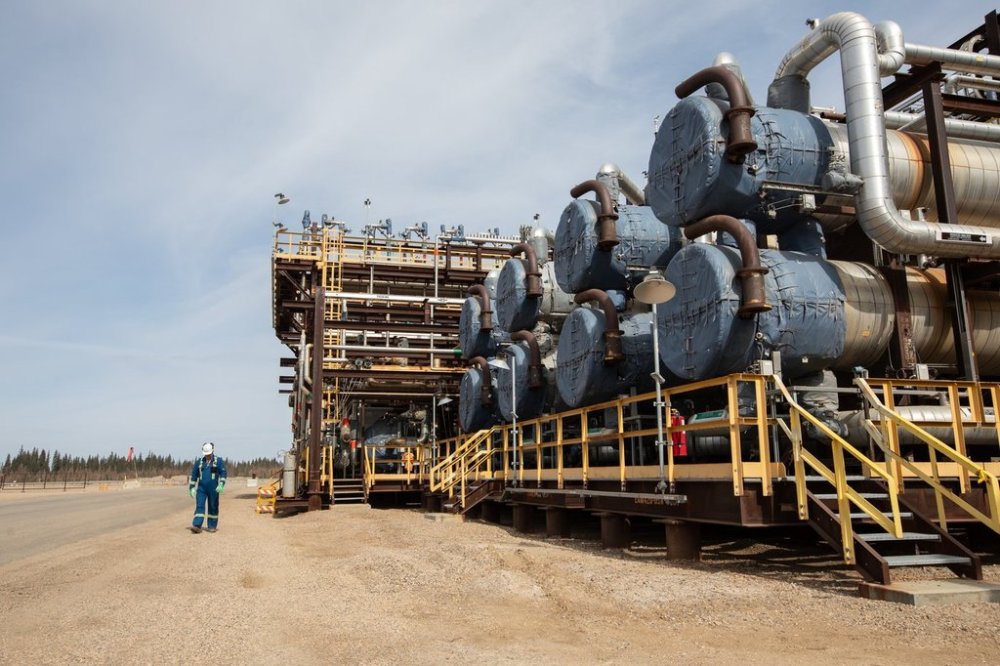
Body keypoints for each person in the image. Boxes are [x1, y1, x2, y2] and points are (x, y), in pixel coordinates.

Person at [188, 442, 227, 534]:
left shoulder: (219, 461)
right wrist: (192, 487)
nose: (207, 456)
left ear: (212, 452)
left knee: (213, 506)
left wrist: (221, 484)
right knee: (200, 506)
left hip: (214, 488)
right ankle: (197, 526)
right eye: (206, 454)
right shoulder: (199, 462)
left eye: (209, 454)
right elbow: (194, 475)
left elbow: (223, 473)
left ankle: (212, 526)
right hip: (201, 489)